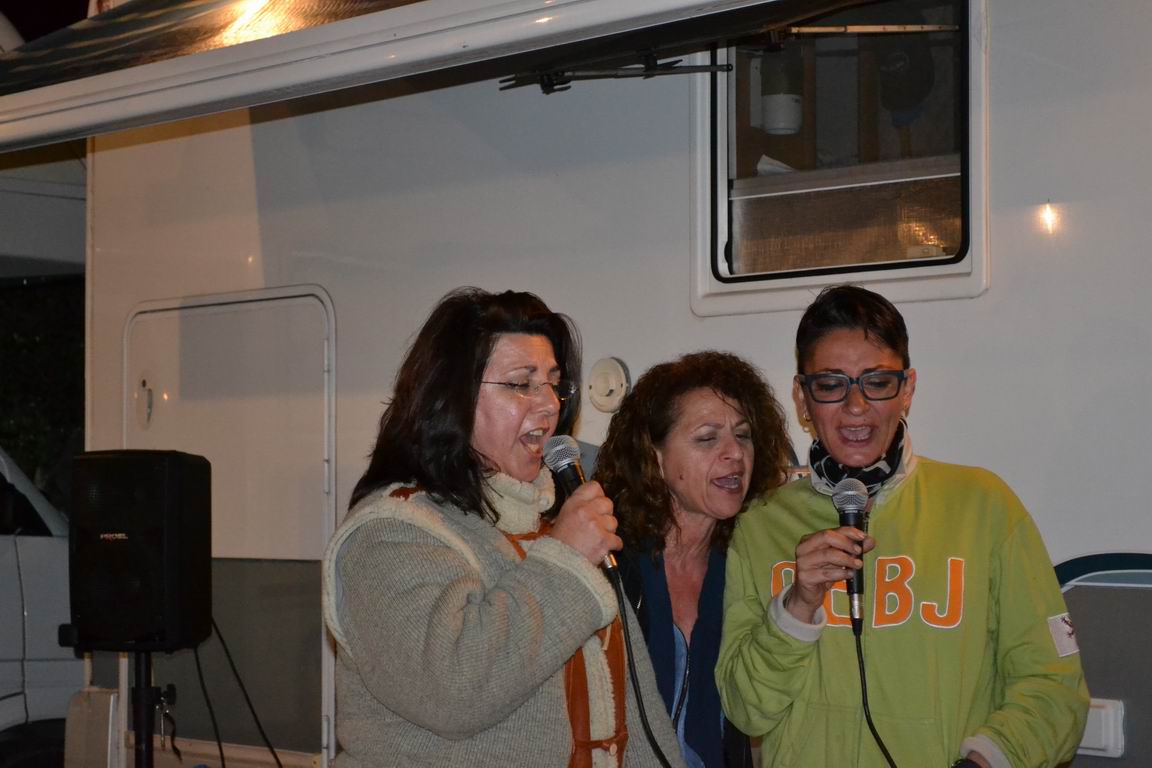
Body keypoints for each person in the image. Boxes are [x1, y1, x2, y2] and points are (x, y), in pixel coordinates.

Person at [716, 285, 1089, 768]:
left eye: (877, 382)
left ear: (907, 389)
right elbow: (745, 710)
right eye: (830, 385)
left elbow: (1055, 688)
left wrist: (983, 763)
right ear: (802, 398)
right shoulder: (760, 524)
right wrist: (797, 606)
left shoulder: (984, 506)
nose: (856, 406)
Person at [322, 287, 685, 768]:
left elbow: (635, 716)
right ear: (450, 399)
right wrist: (568, 559)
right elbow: (452, 690)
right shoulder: (388, 533)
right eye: (520, 384)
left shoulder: (558, 526)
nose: (549, 404)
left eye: (554, 383)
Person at [595, 351, 792, 768]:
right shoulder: (608, 564)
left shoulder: (750, 565)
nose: (734, 453)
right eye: (707, 438)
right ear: (655, 458)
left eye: (743, 435)